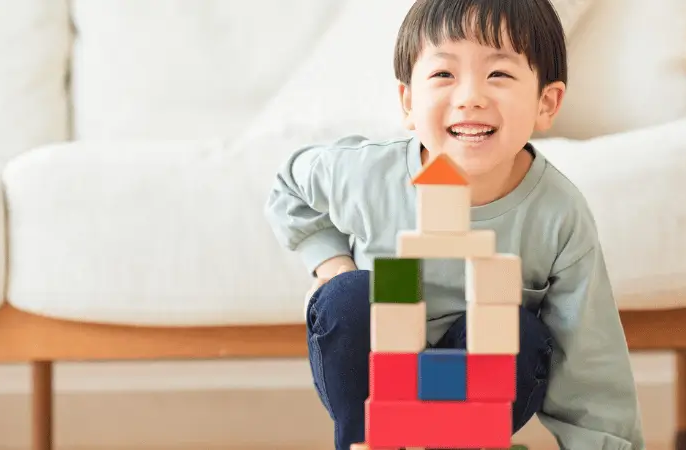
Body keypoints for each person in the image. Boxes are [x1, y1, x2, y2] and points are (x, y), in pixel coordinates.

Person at [264, 0, 645, 448]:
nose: (470, 97)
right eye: (444, 74)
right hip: (379, 374)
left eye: (498, 74)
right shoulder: (368, 174)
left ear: (546, 102)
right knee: (347, 296)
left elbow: (588, 355)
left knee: (519, 332)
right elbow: (290, 186)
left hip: (477, 383)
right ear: (408, 101)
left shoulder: (559, 214)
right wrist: (331, 264)